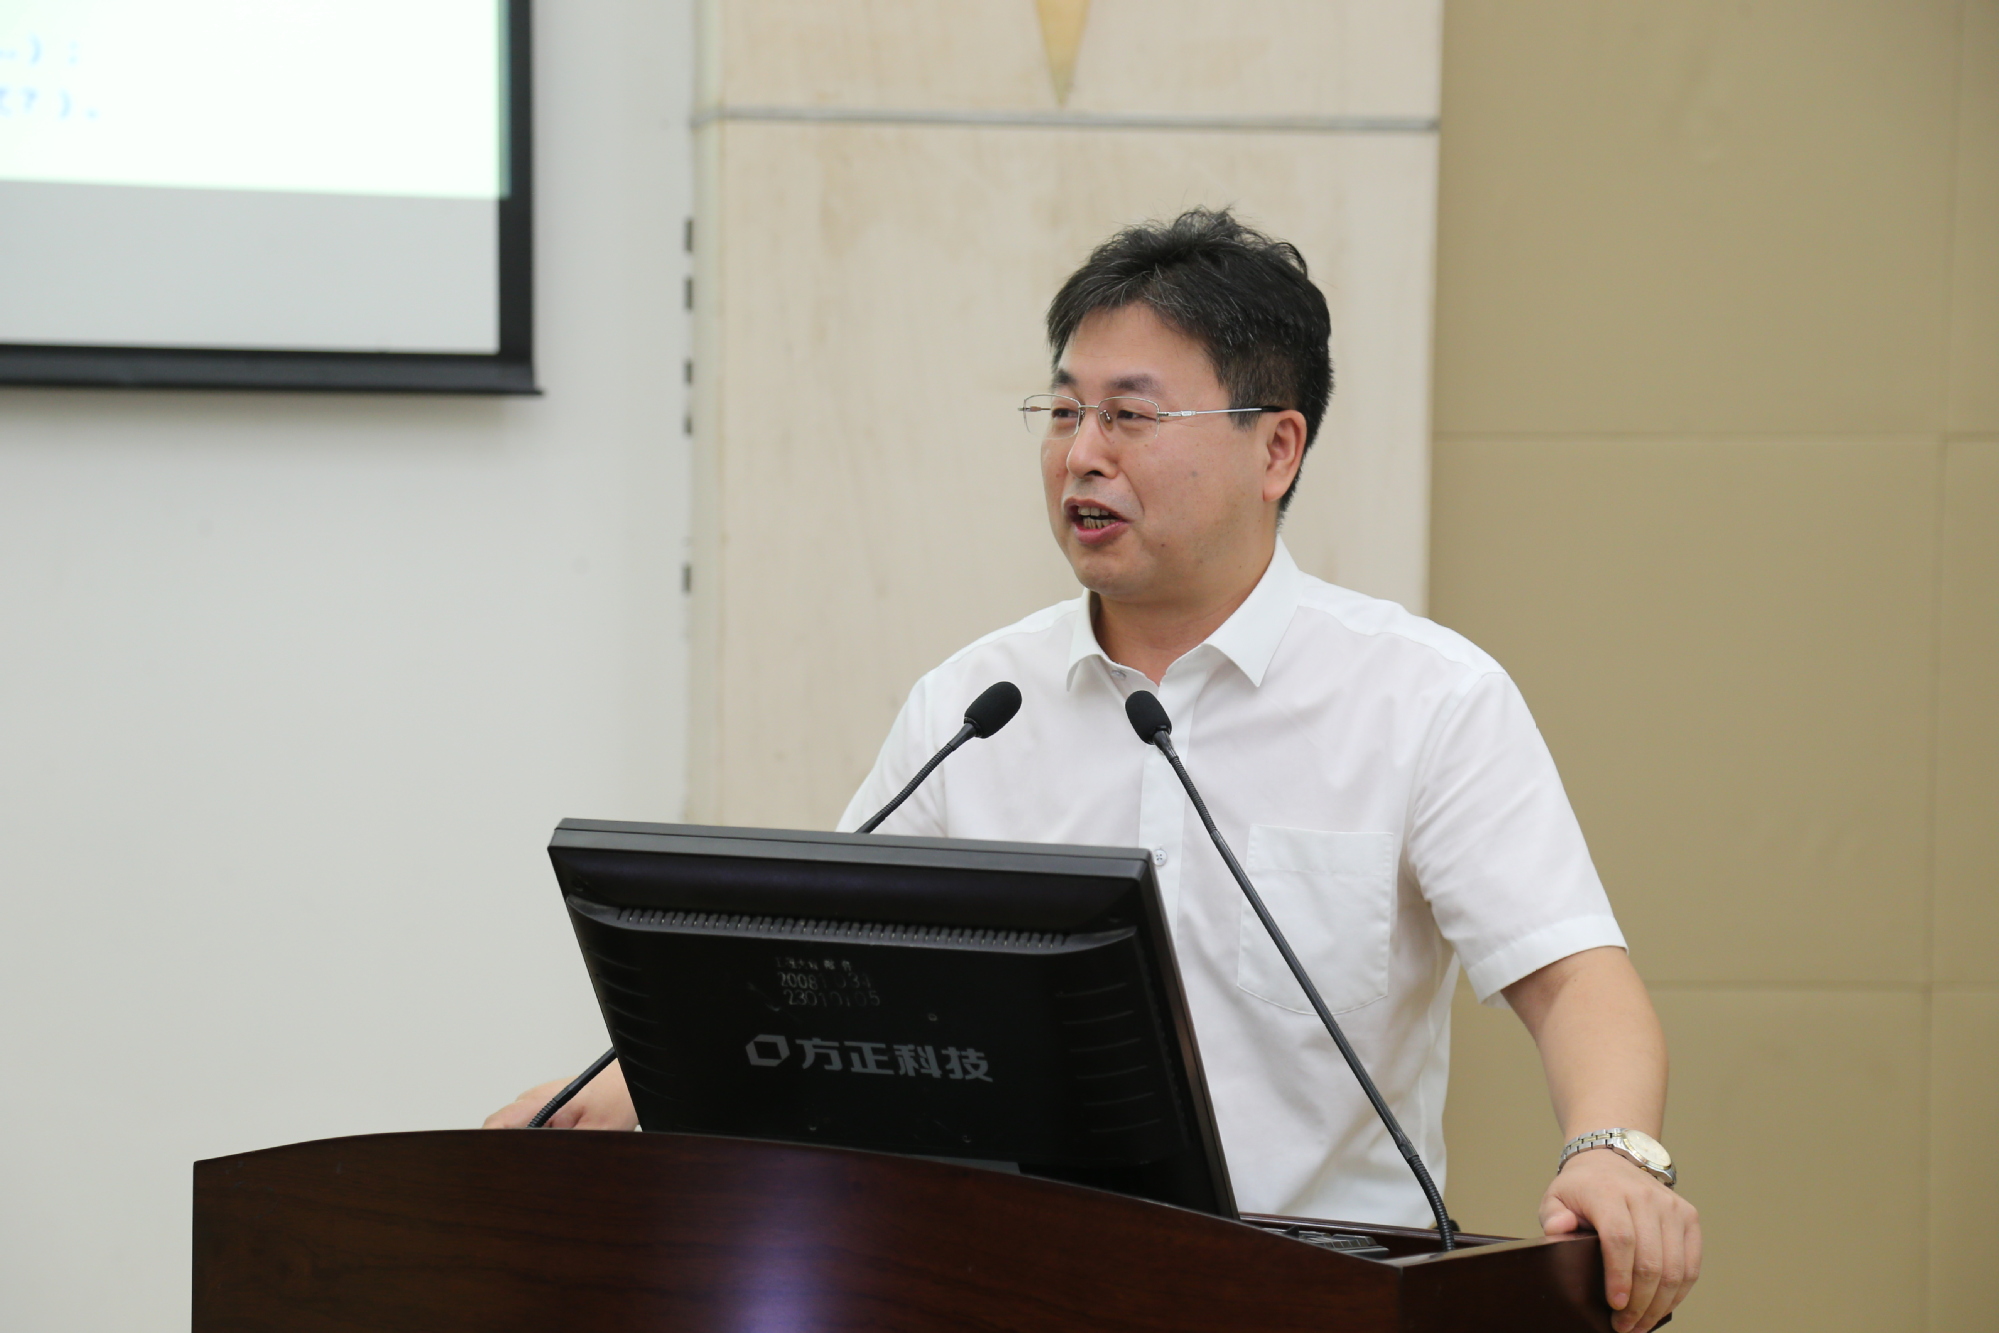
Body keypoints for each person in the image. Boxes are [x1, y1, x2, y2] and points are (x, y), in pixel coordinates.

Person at [486, 208, 1700, 1333]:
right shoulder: (976, 704)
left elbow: (1571, 979)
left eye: (1131, 416)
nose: (1082, 455)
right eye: (1063, 413)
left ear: (1276, 447)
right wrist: (645, 1088)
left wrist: (1611, 1149)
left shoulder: (1422, 697)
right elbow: (817, 979)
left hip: (1311, 1295)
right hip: (995, 1285)